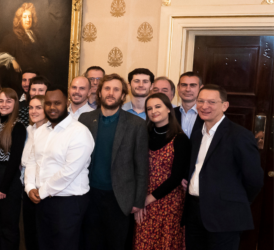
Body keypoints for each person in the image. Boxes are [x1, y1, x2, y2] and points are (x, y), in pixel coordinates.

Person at [183, 84, 263, 249]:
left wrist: (235, 202)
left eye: (211, 102)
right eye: (201, 101)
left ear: (224, 106)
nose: (205, 106)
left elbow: (254, 179)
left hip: (225, 217)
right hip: (194, 213)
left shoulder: (240, 135)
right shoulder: (197, 134)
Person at [79, 74, 149, 250]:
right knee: (90, 243)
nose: (111, 93)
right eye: (107, 89)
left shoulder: (136, 124)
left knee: (116, 244)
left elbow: (141, 166)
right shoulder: (85, 120)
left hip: (120, 198)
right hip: (89, 195)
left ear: (123, 95)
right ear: (100, 93)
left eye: (116, 89)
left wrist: (138, 200)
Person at [24, 88, 95, 250]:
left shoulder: (79, 132)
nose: (52, 107)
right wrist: (29, 187)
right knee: (43, 244)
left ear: (67, 103)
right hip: (41, 200)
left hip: (68, 203)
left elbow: (68, 172)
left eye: (57, 103)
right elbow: (32, 160)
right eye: (48, 103)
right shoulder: (41, 131)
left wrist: (41, 192)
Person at [133, 93, 189, 250]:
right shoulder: (143, 135)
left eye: (158, 106)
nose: (153, 111)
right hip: (144, 197)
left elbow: (177, 176)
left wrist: (148, 199)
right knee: (144, 242)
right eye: (149, 108)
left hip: (169, 202)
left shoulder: (180, 139)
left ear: (169, 109)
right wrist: (140, 199)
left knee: (166, 243)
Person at [0, 87, 27, 250]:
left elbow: (14, 160)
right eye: (1, 101)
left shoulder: (18, 126)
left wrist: (3, 187)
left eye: (8, 101)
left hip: (8, 179)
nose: (4, 104)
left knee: (9, 225)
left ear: (15, 103)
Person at [174, 72, 204, 138]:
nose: (187, 89)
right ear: (178, 88)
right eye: (184, 85)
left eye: (193, 85)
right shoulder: (170, 113)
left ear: (201, 88)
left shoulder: (208, 114)